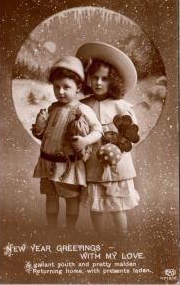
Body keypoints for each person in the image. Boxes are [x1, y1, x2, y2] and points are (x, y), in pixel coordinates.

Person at [32, 55, 102, 234]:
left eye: (66, 87)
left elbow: (98, 130)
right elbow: (40, 134)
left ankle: (70, 230)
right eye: (57, 87)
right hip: (48, 163)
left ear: (78, 87)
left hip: (69, 166)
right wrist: (40, 124)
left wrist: (85, 141)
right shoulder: (52, 108)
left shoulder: (83, 110)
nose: (60, 91)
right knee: (51, 196)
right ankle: (52, 229)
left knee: (71, 199)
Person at [76, 42, 140, 239]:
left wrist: (118, 144)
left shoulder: (121, 106)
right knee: (97, 205)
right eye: (95, 78)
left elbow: (133, 133)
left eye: (104, 79)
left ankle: (122, 237)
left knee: (117, 206)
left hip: (117, 163)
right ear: (88, 79)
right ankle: (100, 238)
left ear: (113, 81)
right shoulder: (83, 105)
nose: (99, 83)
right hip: (93, 162)